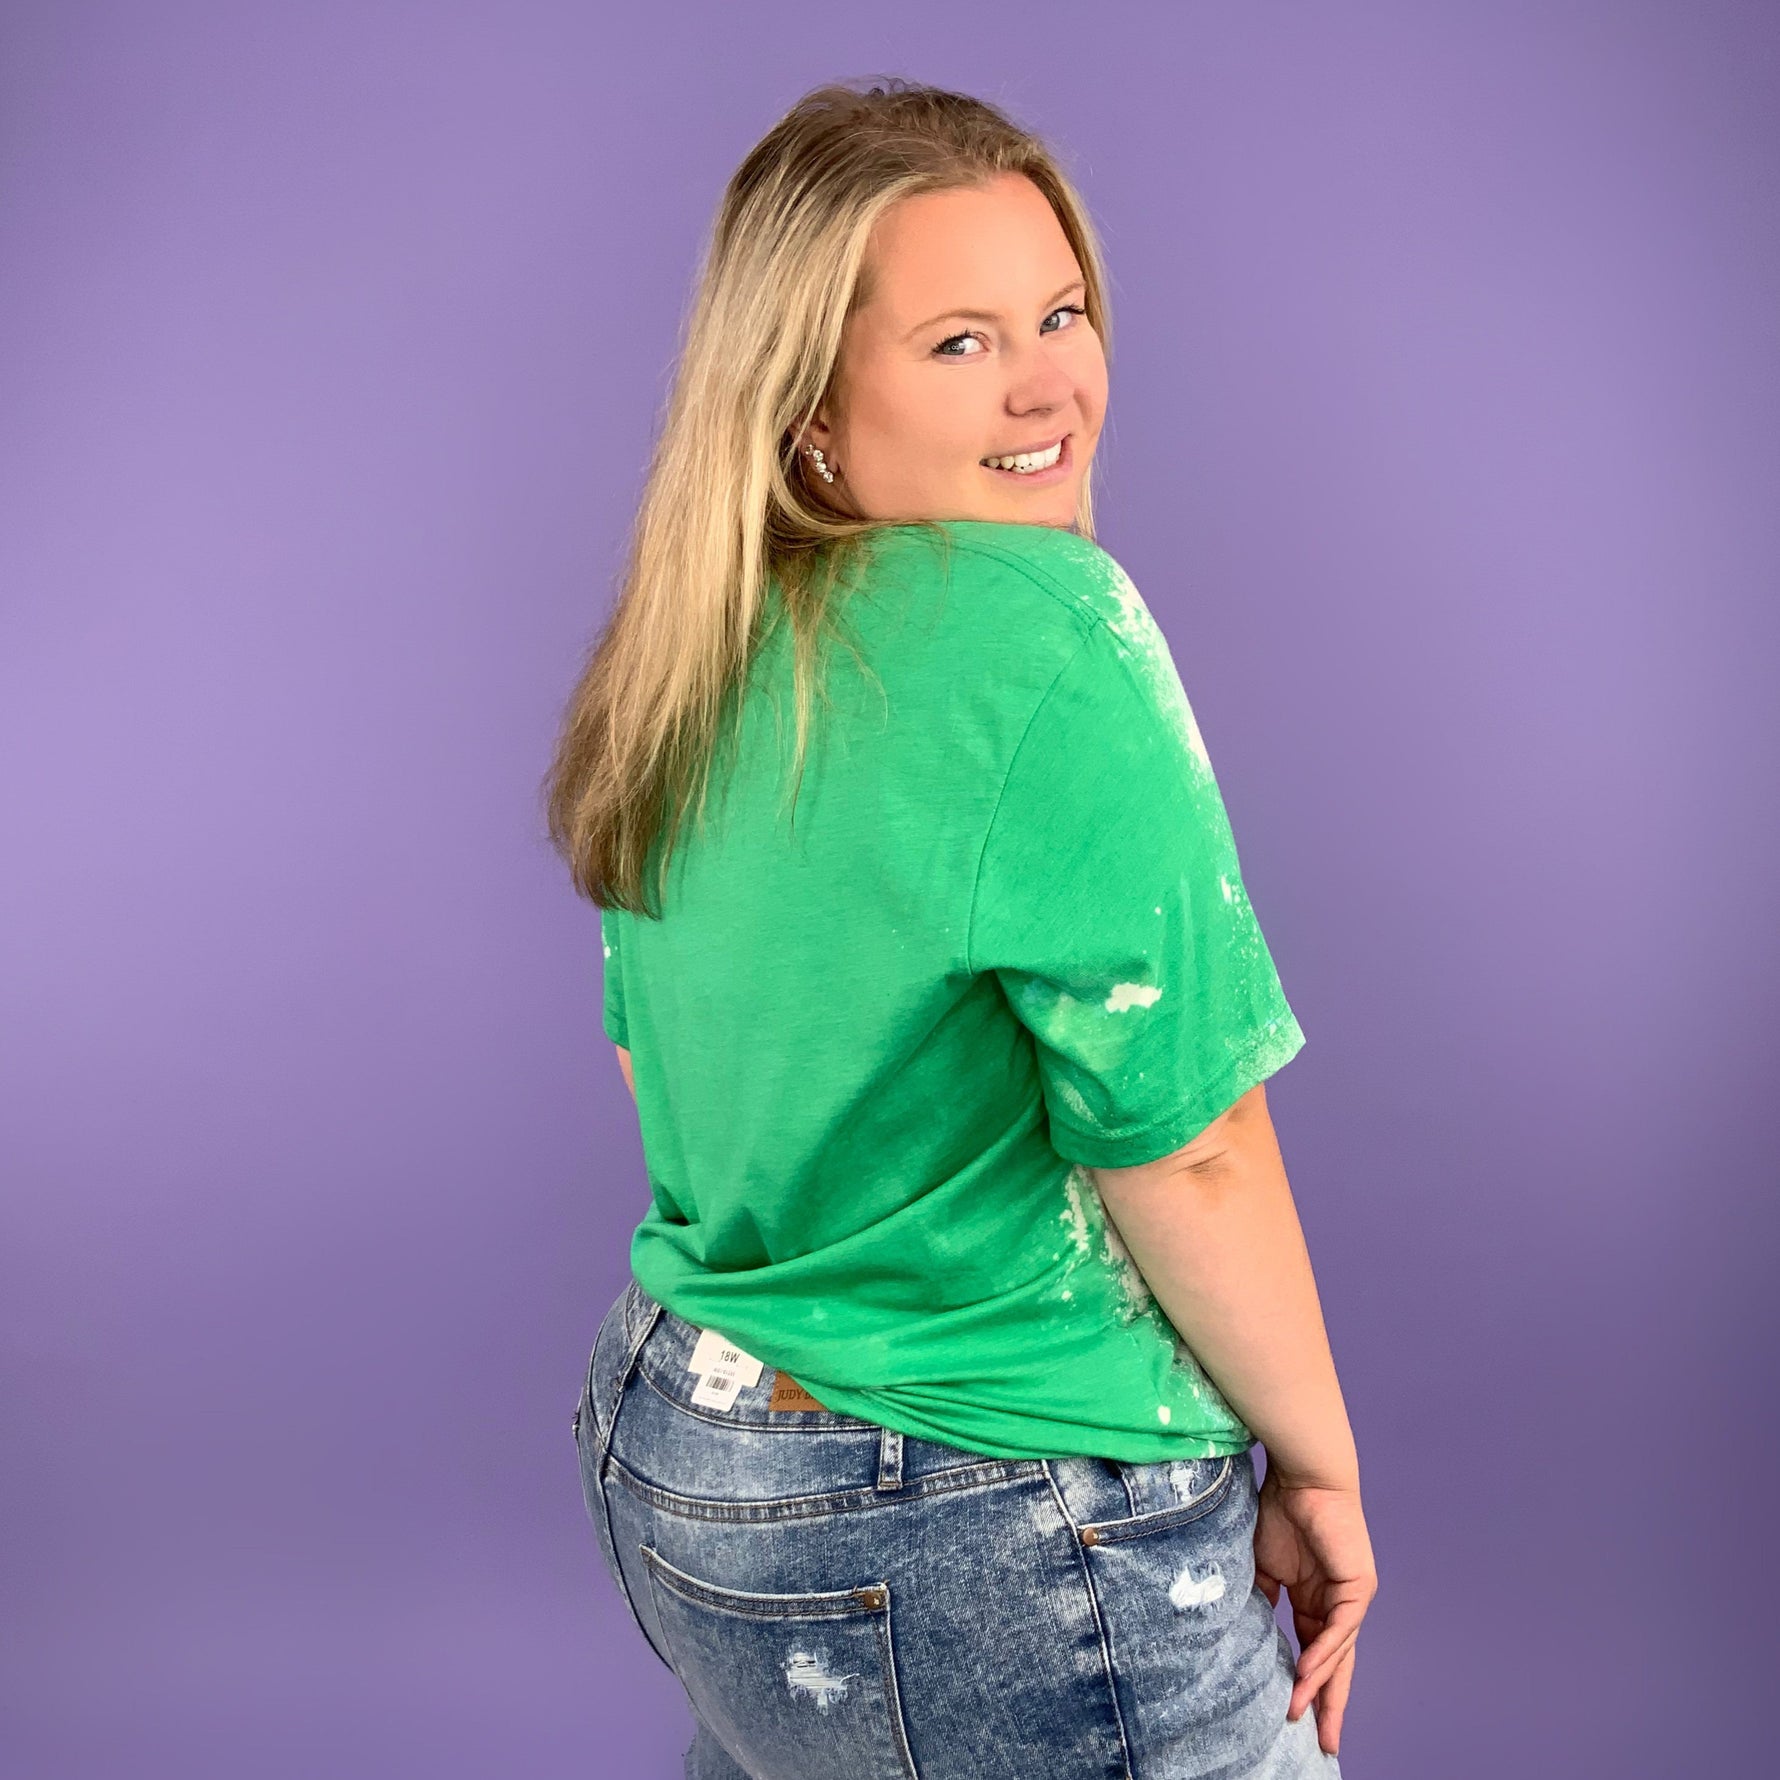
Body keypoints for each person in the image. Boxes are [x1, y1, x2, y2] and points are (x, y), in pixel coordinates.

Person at [545, 76, 1376, 1779]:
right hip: (980, 1505)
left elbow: (657, 1074)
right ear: (810, 404)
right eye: (961, 342)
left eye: (1062, 314)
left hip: (683, 1451)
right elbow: (1192, 1148)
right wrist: (1320, 1466)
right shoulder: (1049, 633)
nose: (1052, 382)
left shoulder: (696, 644)